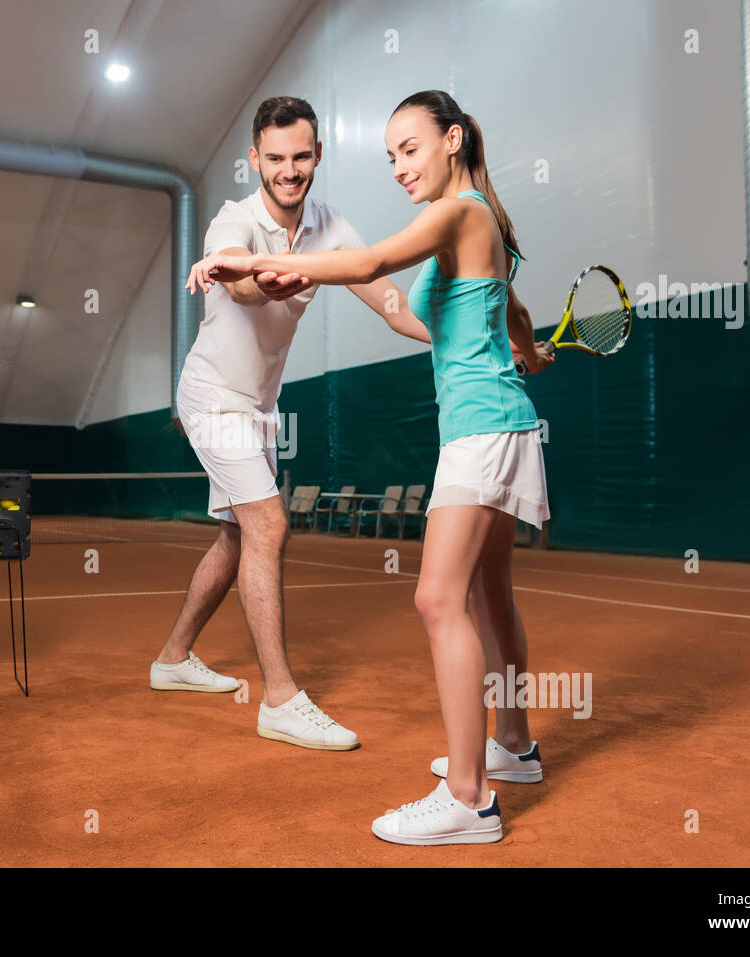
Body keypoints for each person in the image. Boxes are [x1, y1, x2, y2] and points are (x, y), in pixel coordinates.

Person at [186, 89, 554, 843]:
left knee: (435, 599)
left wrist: (267, 259)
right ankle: (512, 744)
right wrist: (528, 349)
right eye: (390, 156)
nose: (398, 167)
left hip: (481, 432)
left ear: (453, 140)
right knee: (490, 594)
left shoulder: (457, 212)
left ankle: (468, 798)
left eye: (410, 149)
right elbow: (500, 311)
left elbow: (374, 261)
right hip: (504, 423)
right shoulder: (484, 219)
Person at [152, 96, 432, 751]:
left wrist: (460, 342)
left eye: (300, 156)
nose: (289, 169)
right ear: (255, 159)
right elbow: (244, 284)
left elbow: (390, 303)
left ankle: (172, 658)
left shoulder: (333, 227)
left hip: (258, 409)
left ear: (317, 156)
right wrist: (246, 271)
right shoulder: (234, 218)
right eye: (275, 158)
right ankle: (279, 698)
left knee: (235, 539)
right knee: (269, 523)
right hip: (211, 396)